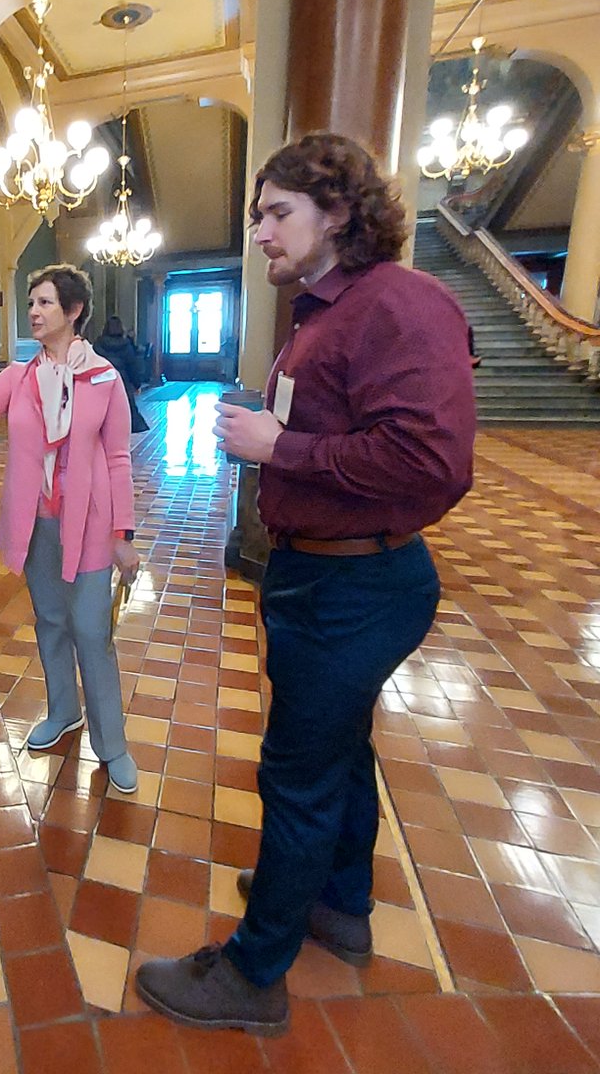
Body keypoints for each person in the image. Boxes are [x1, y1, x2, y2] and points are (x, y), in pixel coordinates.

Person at [135, 133, 475, 1034]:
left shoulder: (399, 303)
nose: (260, 232)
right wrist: (271, 432)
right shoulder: (323, 313)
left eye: (277, 213)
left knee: (296, 772)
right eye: (258, 215)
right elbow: (339, 425)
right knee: (338, 752)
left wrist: (279, 447)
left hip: (357, 582)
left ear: (339, 212)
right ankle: (338, 901)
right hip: (320, 573)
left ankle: (253, 975)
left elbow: (432, 461)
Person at [0, 265, 141, 793]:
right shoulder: (20, 376)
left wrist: (122, 534)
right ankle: (63, 710)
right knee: (51, 622)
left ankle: (113, 745)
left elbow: (119, 459)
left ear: (74, 311)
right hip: (37, 523)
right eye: (31, 302)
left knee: (92, 632)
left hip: (90, 526)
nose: (34, 311)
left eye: (45, 303)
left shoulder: (103, 378)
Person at [95, 315, 150, 433]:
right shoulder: (126, 345)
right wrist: (137, 385)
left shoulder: (98, 344)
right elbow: (132, 367)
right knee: (126, 409)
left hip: (102, 381)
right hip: (122, 381)